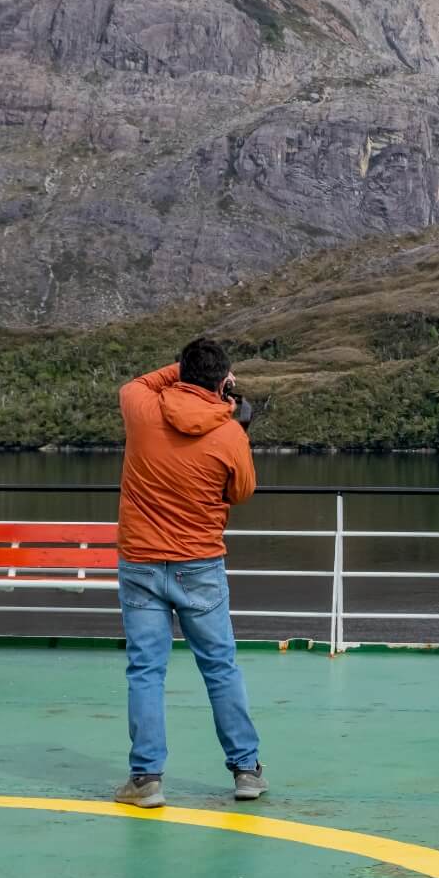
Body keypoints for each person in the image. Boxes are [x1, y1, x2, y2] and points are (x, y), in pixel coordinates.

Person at [113, 337, 267, 809]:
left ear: (180, 372)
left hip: (140, 562)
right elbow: (241, 492)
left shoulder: (141, 408)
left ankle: (146, 781)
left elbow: (140, 382)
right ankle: (245, 771)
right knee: (220, 668)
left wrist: (183, 371)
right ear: (224, 383)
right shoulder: (230, 435)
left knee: (145, 671)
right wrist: (227, 403)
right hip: (199, 565)